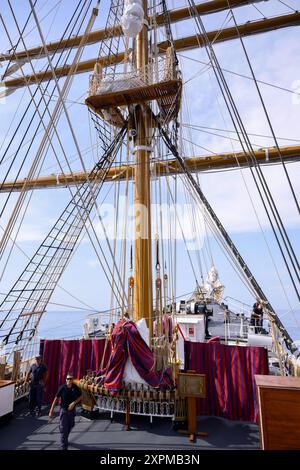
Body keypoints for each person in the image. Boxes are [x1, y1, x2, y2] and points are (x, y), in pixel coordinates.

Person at [49, 374, 82, 450]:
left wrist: (74, 403)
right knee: (64, 430)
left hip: (72, 411)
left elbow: (80, 396)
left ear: (72, 380)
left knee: (71, 425)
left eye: (71, 379)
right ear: (65, 379)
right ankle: (63, 446)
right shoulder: (62, 388)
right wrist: (51, 410)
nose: (69, 380)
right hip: (64, 411)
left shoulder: (75, 387)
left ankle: (63, 432)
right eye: (68, 379)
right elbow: (55, 399)